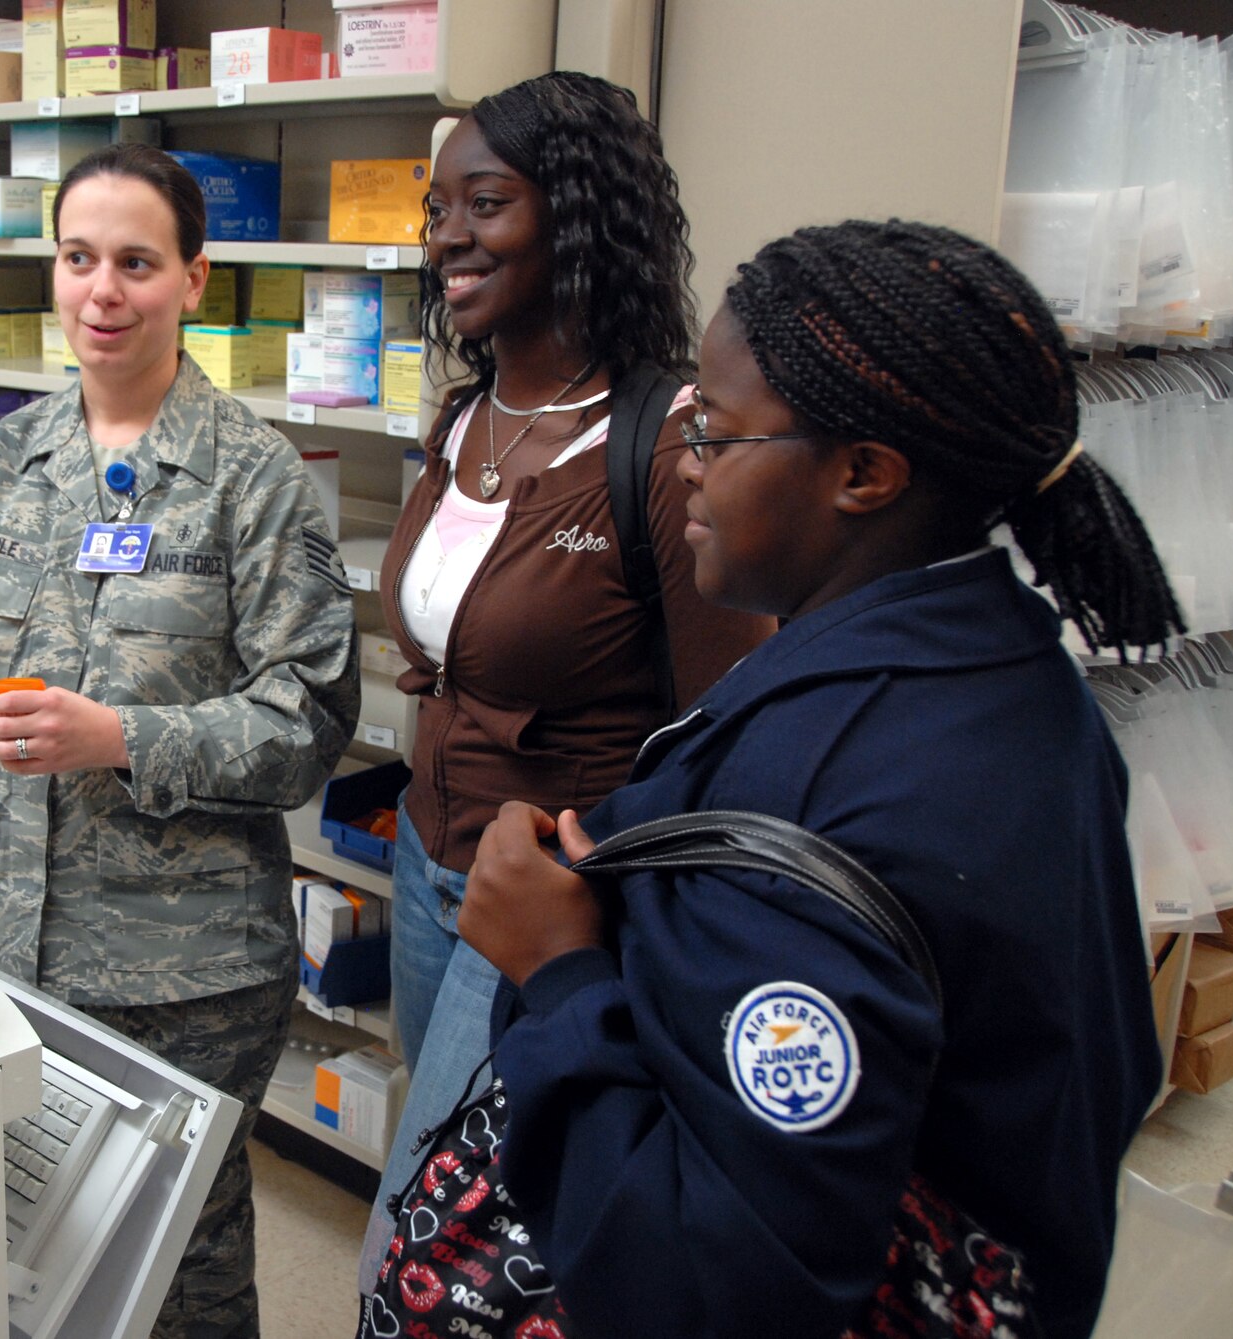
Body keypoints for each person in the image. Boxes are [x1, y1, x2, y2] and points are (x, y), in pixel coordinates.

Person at [447, 219, 1177, 1338]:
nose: (683, 458)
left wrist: (560, 973)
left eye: (716, 433)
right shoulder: (1008, 668)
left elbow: (701, 1284)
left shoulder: (831, 792)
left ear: (863, 474)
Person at [0, 143, 361, 1339]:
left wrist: (119, 736)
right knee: (35, 1254)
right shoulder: (3, 465)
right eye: (78, 259)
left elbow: (307, 725)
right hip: (9, 944)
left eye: (136, 262)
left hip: (182, 972)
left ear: (194, 276)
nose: (102, 292)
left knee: (175, 1269)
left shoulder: (252, 479)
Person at [361, 71, 773, 1279]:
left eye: (482, 202)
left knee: (419, 1237)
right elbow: (462, 618)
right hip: (424, 859)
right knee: (462, 1198)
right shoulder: (461, 417)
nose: (446, 234)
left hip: (547, 892)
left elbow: (715, 731)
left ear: (579, 215)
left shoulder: (662, 443)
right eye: (436, 207)